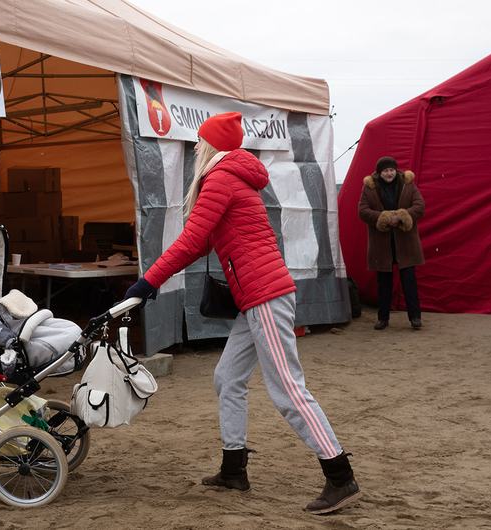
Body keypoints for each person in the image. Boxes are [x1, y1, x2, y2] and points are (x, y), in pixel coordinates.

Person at [124, 112, 360, 515]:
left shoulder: (220, 179)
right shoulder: (232, 177)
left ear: (213, 145)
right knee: (227, 377)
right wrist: (152, 282)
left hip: (263, 294)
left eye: (199, 140)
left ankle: (340, 476)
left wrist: (147, 283)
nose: (196, 146)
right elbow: (201, 244)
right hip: (258, 296)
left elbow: (190, 241)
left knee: (288, 389)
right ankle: (234, 469)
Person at [357, 156, 425, 330]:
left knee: (409, 281)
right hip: (382, 243)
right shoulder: (369, 188)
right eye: (385, 171)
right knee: (384, 283)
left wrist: (402, 216)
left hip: (406, 242)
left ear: (396, 170)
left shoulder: (408, 184)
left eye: (391, 170)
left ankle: (415, 318)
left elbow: (419, 205)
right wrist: (383, 218)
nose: (389, 173)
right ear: (379, 173)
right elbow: (363, 210)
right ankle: (383, 319)